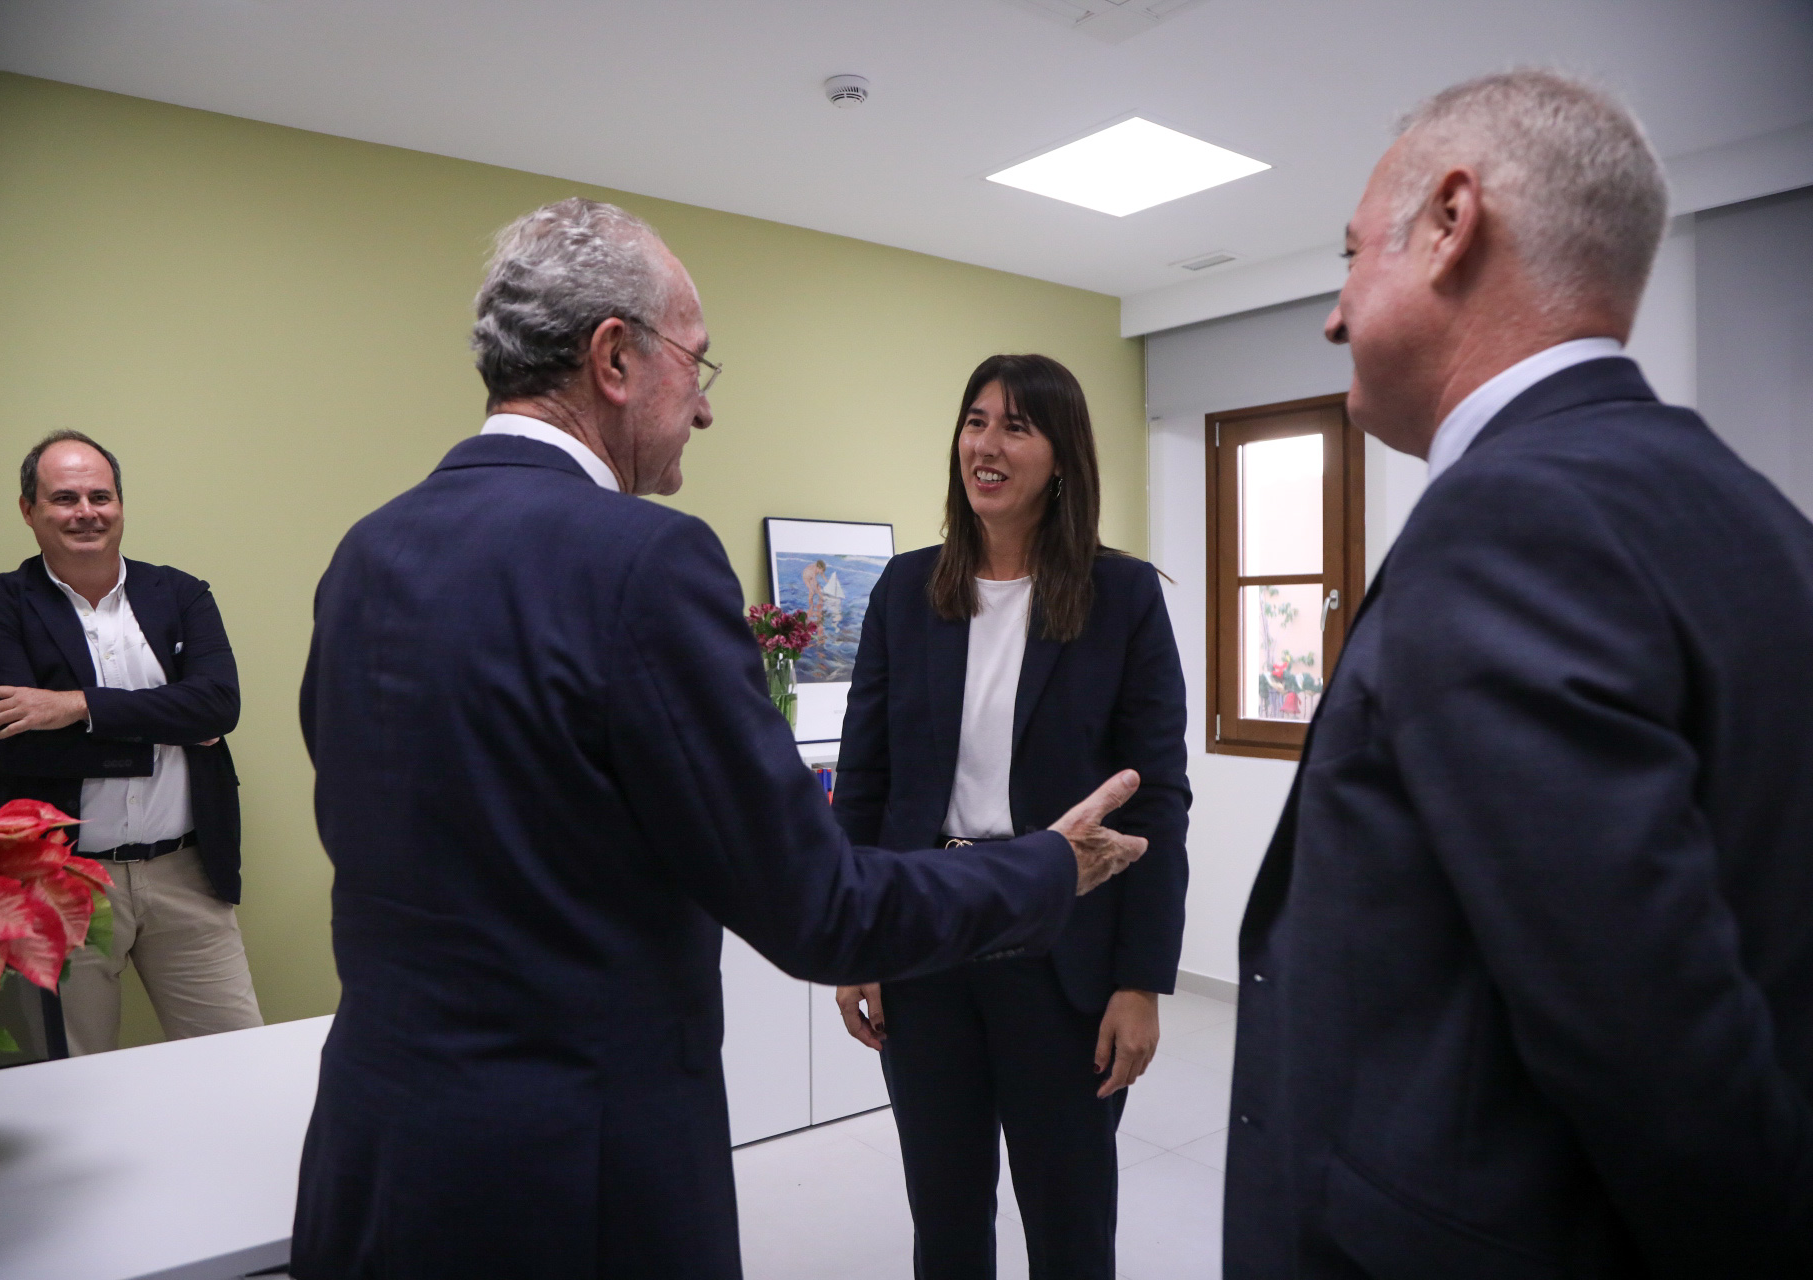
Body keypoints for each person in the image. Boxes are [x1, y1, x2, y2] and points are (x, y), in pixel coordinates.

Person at [291, 198, 1151, 1280]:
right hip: (576, 1175)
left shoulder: (368, 551)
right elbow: (819, 905)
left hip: (377, 1150)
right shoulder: (644, 560)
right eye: (696, 364)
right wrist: (1050, 865)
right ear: (614, 357)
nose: (703, 408)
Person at [1226, 70, 1813, 1277]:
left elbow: (1653, 1044)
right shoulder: (1758, 517)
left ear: (1451, 223)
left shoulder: (1505, 519)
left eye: (1350, 256)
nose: (1334, 315)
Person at [832, 353, 1190, 1280]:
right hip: (926, 937)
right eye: (976, 421)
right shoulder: (905, 591)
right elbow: (865, 778)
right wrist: (855, 941)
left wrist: (1141, 982)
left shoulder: (1123, 598)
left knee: (1070, 1219)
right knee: (945, 1213)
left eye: (1017, 428)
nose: (986, 446)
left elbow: (1158, 803)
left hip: (1063, 952)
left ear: (1063, 456)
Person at [0, 430, 261, 1056]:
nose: (86, 512)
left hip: (187, 873)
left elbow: (218, 705)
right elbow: (16, 747)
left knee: (237, 1056)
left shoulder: (181, 593)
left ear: (120, 503)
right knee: (75, 1071)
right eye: (64, 498)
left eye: (100, 496)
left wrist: (74, 706)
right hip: (63, 880)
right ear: (29, 510)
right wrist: (166, 733)